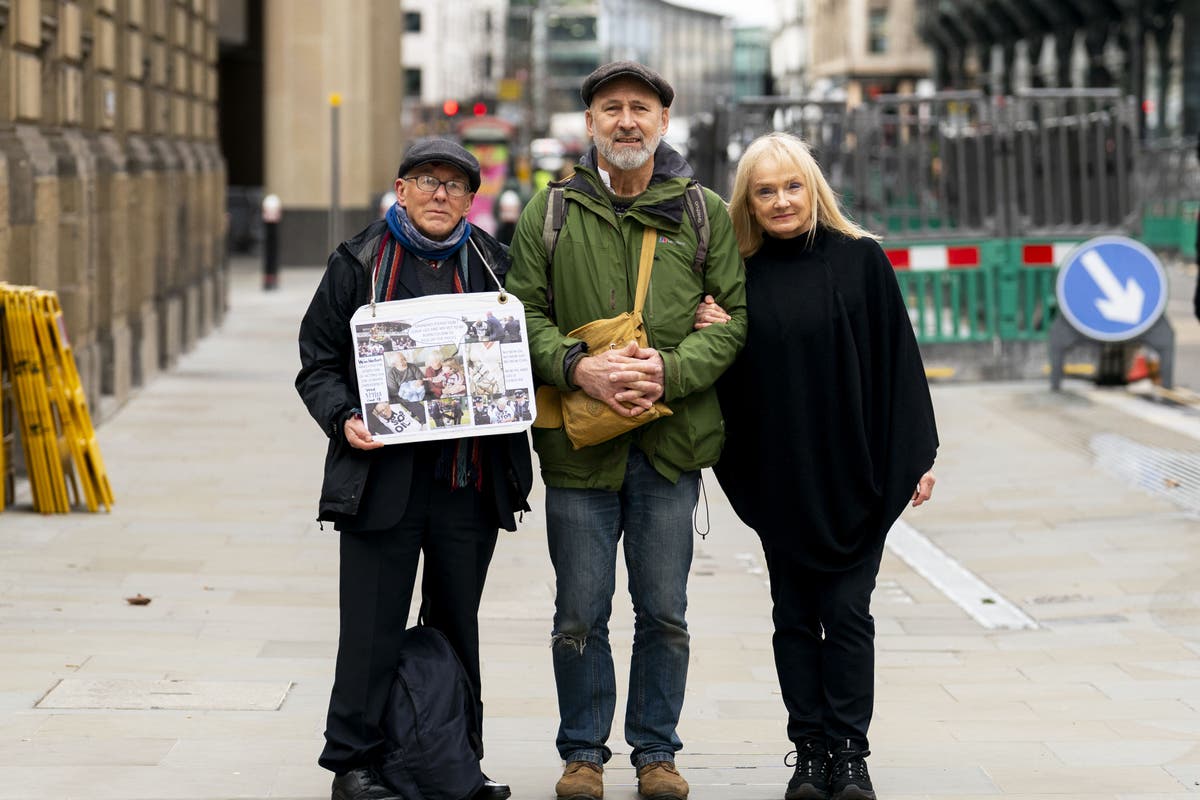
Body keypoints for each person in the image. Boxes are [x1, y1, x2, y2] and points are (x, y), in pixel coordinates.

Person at [505, 61, 747, 800]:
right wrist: (581, 369)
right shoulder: (547, 214)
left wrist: (665, 374)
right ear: (590, 125)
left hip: (669, 450)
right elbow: (521, 319)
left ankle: (655, 754)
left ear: (664, 123)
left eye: (641, 108)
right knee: (580, 609)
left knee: (663, 610)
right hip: (580, 454)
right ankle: (583, 754)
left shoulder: (704, 213)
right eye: (610, 109)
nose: (626, 121)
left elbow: (734, 321)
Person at [696, 132, 938, 800]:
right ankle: (809, 752)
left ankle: (851, 754)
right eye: (765, 190)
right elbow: (728, 377)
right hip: (781, 474)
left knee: (849, 612)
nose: (781, 201)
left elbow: (899, 363)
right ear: (748, 200)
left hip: (857, 469)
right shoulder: (736, 276)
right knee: (794, 615)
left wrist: (919, 454)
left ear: (814, 188)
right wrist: (712, 330)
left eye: (792, 186)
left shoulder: (861, 260)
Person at [296, 138, 532, 800]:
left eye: (456, 186)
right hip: (382, 484)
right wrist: (343, 415)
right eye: (428, 181)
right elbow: (315, 361)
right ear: (401, 190)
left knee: (457, 624)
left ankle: (457, 763)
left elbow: (526, 351)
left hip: (469, 484)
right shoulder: (358, 262)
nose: (441, 195)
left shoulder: (495, 263)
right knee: (370, 628)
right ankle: (354, 763)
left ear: (470, 200)